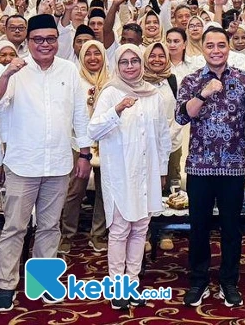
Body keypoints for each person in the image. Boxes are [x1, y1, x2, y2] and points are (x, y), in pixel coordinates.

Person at [0, 14, 93, 311]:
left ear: (57, 40)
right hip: (22, 163)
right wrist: (4, 75)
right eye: (37, 39)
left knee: (50, 227)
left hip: (57, 163)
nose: (44, 44)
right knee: (15, 227)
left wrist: (85, 154)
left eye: (50, 39)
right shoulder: (15, 70)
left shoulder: (68, 70)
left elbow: (80, 115)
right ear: (27, 42)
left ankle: (42, 281)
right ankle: (5, 284)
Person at [176, 27, 245, 308]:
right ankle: (199, 280)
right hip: (199, 167)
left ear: (228, 47)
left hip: (234, 167)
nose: (216, 50)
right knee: (198, 227)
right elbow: (181, 117)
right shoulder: (191, 80)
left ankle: (228, 281)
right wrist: (204, 93)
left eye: (221, 45)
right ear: (202, 48)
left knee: (231, 228)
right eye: (210, 45)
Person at [88, 44, 171, 310]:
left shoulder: (154, 94)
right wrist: (117, 110)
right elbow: (93, 130)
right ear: (117, 65)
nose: (130, 66)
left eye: (135, 60)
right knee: (121, 229)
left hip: (147, 173)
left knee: (140, 230)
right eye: (124, 62)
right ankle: (117, 286)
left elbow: (162, 136)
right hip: (121, 173)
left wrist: (162, 171)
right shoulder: (111, 92)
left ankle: (132, 283)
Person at [59, 40, 110, 255]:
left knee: (104, 190)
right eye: (87, 54)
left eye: (97, 53)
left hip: (107, 143)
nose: (92, 58)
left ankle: (97, 233)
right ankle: (67, 234)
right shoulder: (74, 80)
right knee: (75, 190)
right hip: (78, 143)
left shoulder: (112, 81)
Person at [143, 42, 183, 251]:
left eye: (161, 56)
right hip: (145, 144)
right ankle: (146, 233)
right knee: (147, 188)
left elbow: (180, 112)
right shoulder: (138, 80)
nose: (157, 60)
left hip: (171, 142)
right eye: (152, 56)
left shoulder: (172, 79)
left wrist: (167, 137)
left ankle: (166, 231)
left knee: (169, 187)